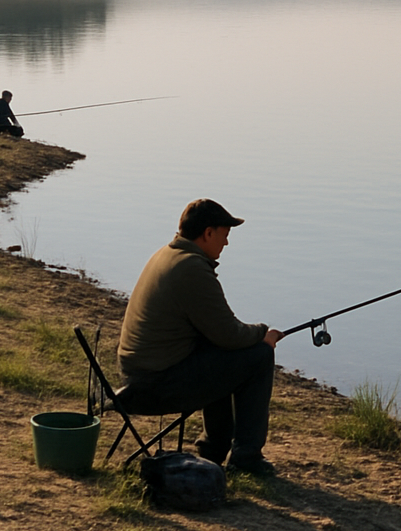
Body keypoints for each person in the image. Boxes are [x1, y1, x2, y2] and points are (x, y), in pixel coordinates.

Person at [115, 199, 283, 475]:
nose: (226, 243)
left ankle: (214, 448)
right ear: (208, 233)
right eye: (224, 235)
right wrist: (263, 333)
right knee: (260, 355)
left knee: (218, 351)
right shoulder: (191, 267)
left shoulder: (168, 254)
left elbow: (219, 334)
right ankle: (246, 457)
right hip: (153, 386)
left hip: (139, 376)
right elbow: (229, 334)